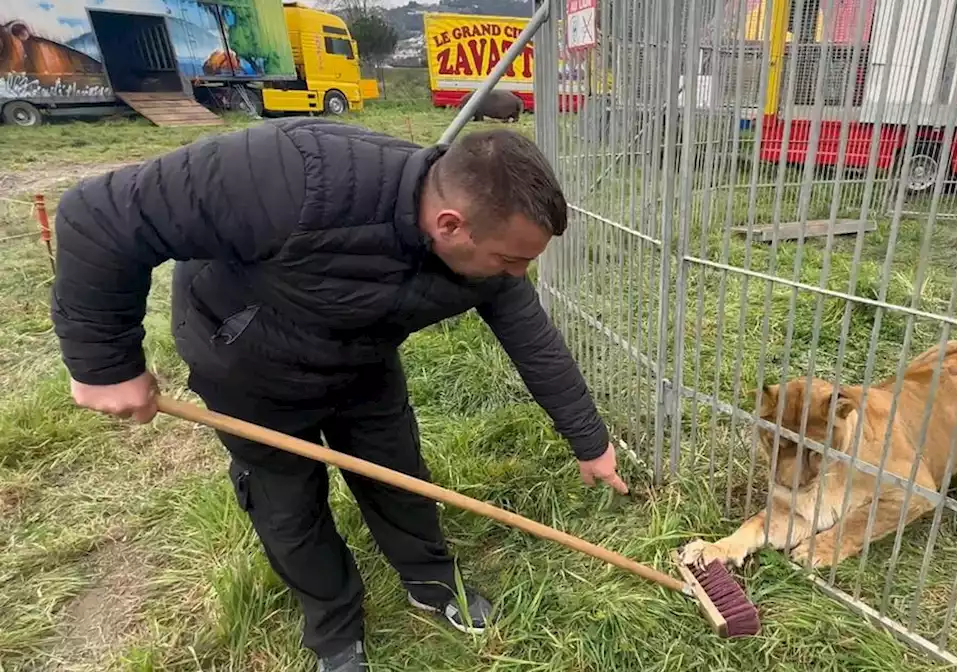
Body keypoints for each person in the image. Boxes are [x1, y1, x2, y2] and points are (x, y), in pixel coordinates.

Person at [49, 117, 629, 672]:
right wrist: (104, 364)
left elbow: (534, 340)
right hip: (248, 363)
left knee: (398, 472)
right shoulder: (292, 174)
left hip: (362, 360)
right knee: (289, 505)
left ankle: (431, 582)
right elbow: (97, 215)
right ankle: (334, 628)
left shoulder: (493, 265)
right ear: (450, 224)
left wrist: (590, 441)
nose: (517, 274)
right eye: (511, 259)